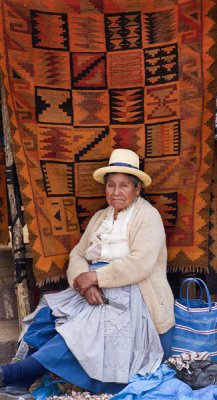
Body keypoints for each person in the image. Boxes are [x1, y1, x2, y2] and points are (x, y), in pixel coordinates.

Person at [0, 149, 175, 399]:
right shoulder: (100, 218)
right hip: (92, 287)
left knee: (84, 328)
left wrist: (96, 279)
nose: (116, 192)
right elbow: (78, 255)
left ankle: (9, 374)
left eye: (124, 186)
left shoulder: (148, 216)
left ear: (137, 189)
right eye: (111, 185)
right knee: (48, 314)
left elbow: (141, 263)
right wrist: (85, 284)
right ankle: (19, 383)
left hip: (135, 295)